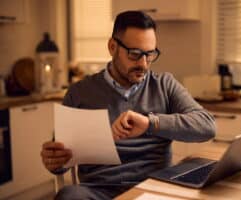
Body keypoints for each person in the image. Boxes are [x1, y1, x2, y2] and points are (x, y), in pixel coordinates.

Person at [41, 10, 215, 200]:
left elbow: (207, 126)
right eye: (135, 54)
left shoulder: (164, 84)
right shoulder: (79, 93)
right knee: (68, 195)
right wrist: (55, 162)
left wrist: (151, 124)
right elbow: (60, 161)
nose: (144, 64)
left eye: (150, 54)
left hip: (153, 188)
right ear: (112, 46)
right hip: (99, 192)